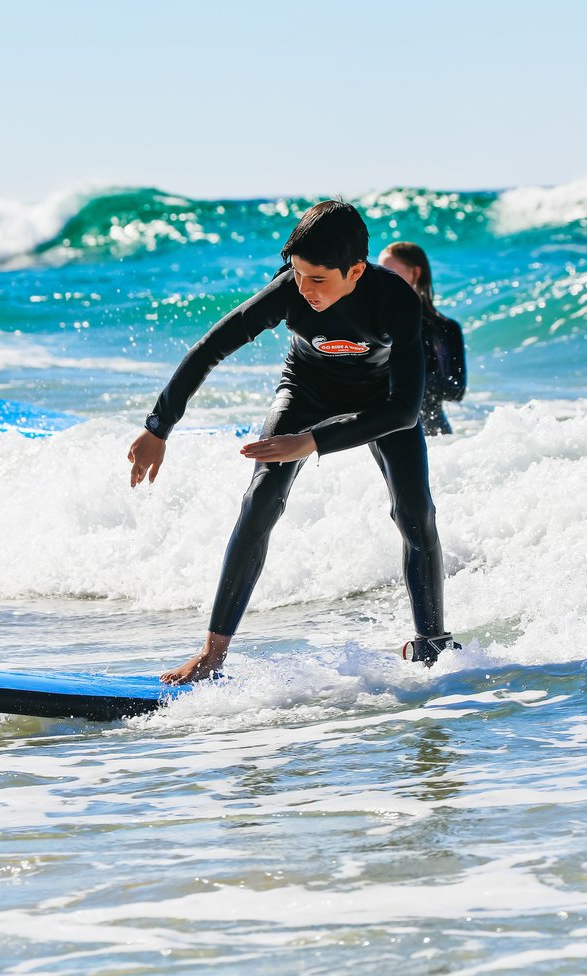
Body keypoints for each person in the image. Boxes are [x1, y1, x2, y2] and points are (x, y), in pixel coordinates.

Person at [126, 200, 458, 685]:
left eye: (318, 279)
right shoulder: (290, 289)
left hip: (380, 400)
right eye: (297, 274)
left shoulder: (397, 302)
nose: (304, 290)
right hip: (305, 389)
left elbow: (405, 410)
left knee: (415, 513)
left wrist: (313, 442)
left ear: (356, 271)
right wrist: (159, 427)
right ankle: (212, 654)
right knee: (261, 499)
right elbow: (210, 347)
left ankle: (431, 645)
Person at [376, 241, 466, 435]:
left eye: (389, 271)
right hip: (383, 430)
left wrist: (410, 380)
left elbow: (456, 390)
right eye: (378, 270)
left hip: (435, 437)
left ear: (416, 273)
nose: (380, 278)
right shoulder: (374, 324)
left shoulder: (444, 328)